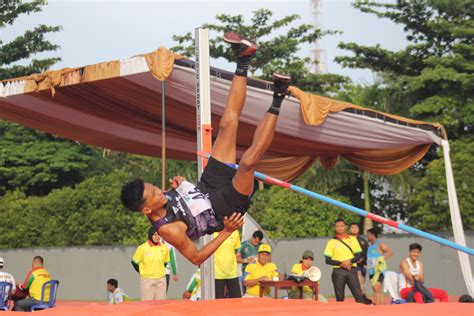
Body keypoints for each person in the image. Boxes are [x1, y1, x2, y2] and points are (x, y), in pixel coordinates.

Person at [120, 31, 292, 265]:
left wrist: (180, 185)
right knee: (248, 163)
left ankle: (243, 58)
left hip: (208, 184)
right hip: (224, 209)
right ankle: (279, 96)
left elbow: (186, 195)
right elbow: (197, 257)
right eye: (153, 195)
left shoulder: (162, 196)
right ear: (145, 210)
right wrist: (227, 232)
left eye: (154, 188)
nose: (159, 192)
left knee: (228, 124)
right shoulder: (168, 230)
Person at [323, 218, 371, 304]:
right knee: (340, 299)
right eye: (337, 226)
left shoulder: (353, 239)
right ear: (334, 228)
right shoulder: (331, 241)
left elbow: (358, 255)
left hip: (352, 270)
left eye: (341, 226)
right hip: (338, 272)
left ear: (345, 227)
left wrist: (349, 261)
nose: (339, 228)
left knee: (359, 297)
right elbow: (327, 260)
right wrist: (341, 263)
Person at [132, 226, 170, 301]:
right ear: (150, 235)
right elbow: (134, 263)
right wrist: (142, 272)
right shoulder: (142, 248)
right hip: (147, 280)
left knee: (161, 304)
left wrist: (158, 270)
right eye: (155, 235)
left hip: (161, 280)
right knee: (148, 304)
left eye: (159, 235)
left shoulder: (164, 248)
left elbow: (165, 262)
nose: (157, 237)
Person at [366, 228, 393, 305]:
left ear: (373, 235)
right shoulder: (369, 247)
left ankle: (377, 307)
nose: (367, 237)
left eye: (368, 235)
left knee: (377, 287)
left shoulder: (380, 244)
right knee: (376, 289)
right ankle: (380, 307)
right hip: (371, 270)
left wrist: (382, 258)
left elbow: (390, 252)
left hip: (379, 270)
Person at [214, 230, 242, 299]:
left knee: (237, 301)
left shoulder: (235, 232)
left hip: (232, 272)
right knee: (217, 301)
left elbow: (235, 250)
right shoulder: (212, 232)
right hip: (217, 273)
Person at [349, 222, 368, 297]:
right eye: (352, 227)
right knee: (354, 285)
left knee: (361, 283)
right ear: (349, 229)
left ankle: (363, 299)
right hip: (350, 265)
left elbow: (366, 252)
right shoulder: (346, 240)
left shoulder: (363, 241)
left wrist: (362, 260)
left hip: (361, 265)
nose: (354, 229)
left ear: (359, 229)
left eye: (356, 227)